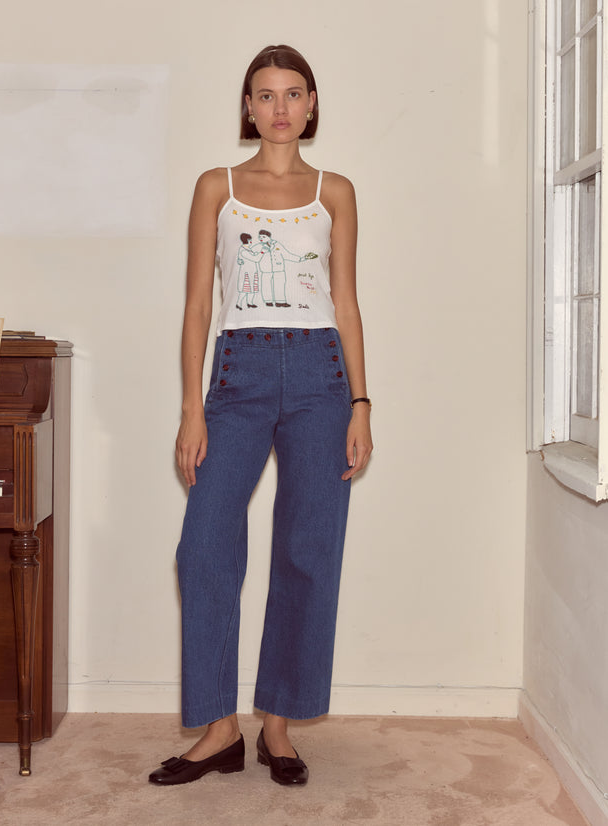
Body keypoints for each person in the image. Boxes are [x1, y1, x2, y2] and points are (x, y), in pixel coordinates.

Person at [149, 44, 373, 788]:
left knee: (309, 549)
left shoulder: (334, 190)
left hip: (320, 376)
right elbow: (196, 305)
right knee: (205, 545)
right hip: (238, 373)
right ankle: (219, 728)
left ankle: (278, 723)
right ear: (248, 106)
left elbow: (345, 303)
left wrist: (361, 404)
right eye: (265, 94)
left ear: (312, 104)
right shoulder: (216, 186)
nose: (279, 108)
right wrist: (192, 407)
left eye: (293, 94)